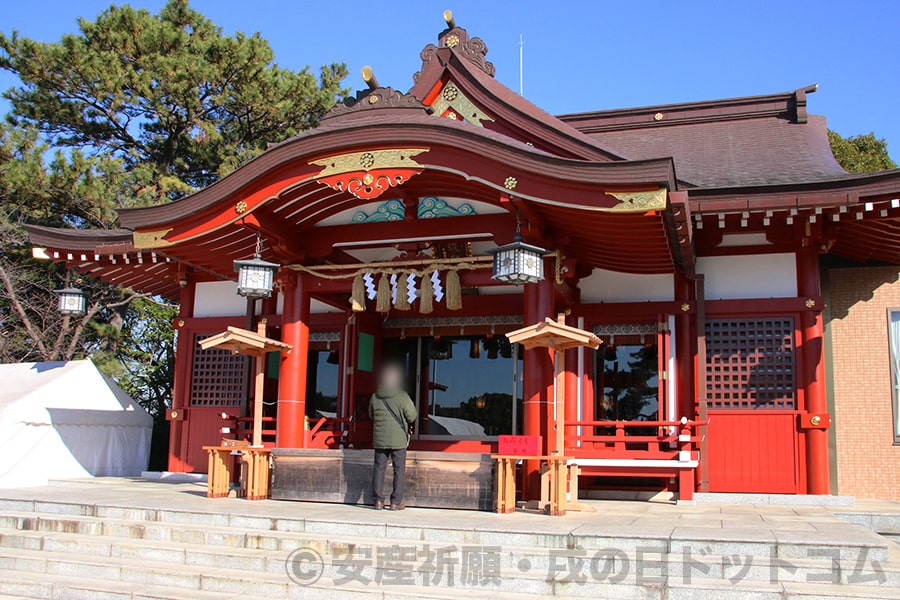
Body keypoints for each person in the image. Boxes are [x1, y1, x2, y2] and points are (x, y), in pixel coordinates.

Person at [368, 362, 417, 510]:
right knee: (399, 470)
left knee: (379, 468)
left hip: (380, 439)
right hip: (398, 439)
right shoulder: (402, 396)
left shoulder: (375, 397)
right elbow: (412, 416)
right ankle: (395, 502)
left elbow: (371, 416)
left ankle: (378, 501)